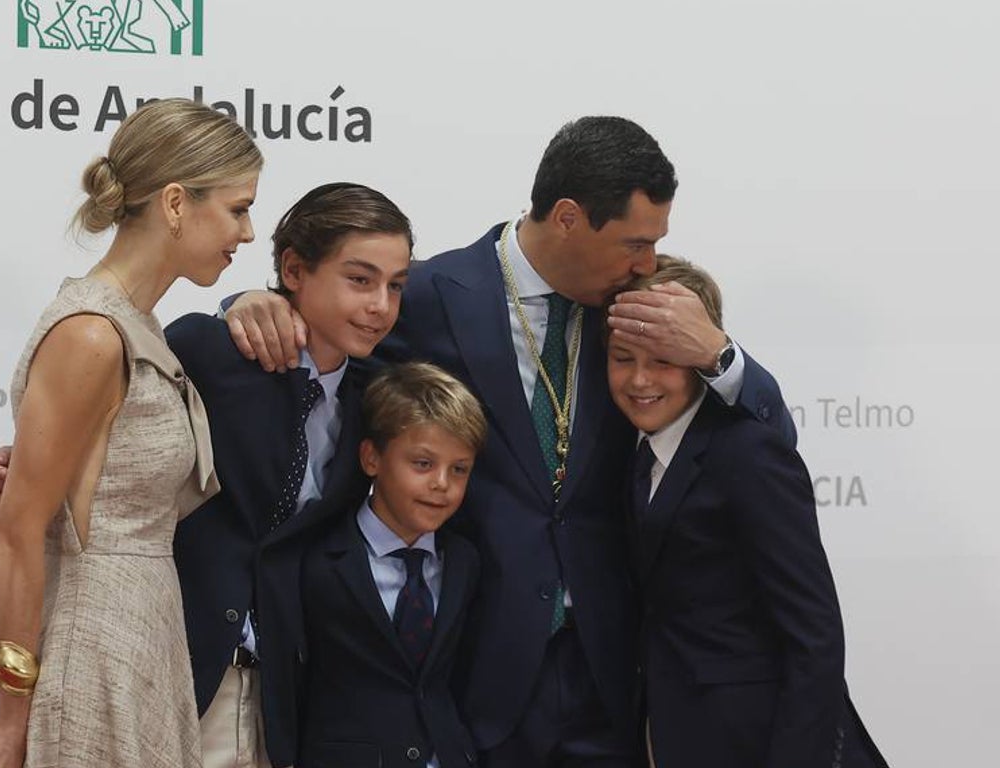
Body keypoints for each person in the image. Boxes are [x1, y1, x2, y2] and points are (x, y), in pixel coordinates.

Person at [223, 116, 796, 766]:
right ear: (570, 219)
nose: (647, 262)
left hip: (612, 677)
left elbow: (769, 447)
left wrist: (719, 354)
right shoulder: (427, 294)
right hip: (470, 671)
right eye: (635, 243)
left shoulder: (638, 310)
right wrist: (245, 304)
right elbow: (325, 349)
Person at [0, 182, 413, 768]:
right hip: (170, 664)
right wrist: (15, 466)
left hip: (287, 698)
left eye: (396, 286)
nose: (381, 304)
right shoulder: (207, 348)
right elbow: (119, 440)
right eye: (360, 280)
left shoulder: (379, 397)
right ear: (295, 270)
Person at [0, 98, 262, 768]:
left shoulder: (136, 324)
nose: (248, 232)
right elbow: (15, 533)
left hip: (143, 637)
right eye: (238, 208)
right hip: (93, 649)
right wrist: (11, 720)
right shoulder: (92, 333)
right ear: (176, 203)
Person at [606, 255, 888, 768]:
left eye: (663, 360)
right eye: (623, 358)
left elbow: (815, 636)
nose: (640, 379)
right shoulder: (631, 453)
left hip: (762, 741)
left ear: (697, 356)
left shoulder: (747, 453)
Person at [291, 362, 486, 768]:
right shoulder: (317, 560)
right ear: (372, 458)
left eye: (459, 469)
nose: (441, 485)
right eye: (422, 464)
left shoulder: (465, 561)